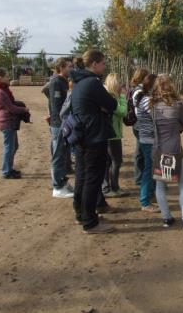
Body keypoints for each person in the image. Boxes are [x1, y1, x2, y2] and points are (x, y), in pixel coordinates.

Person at [70, 49, 118, 234]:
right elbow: (112, 105)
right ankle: (90, 222)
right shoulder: (92, 83)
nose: (104, 66)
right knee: (93, 178)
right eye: (103, 63)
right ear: (95, 64)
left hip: (82, 136)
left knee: (82, 176)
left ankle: (81, 213)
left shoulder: (79, 82)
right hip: (94, 136)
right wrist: (103, 109)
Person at [150, 74, 183, 231]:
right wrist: (178, 126)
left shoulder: (152, 105)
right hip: (174, 150)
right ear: (171, 86)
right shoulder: (178, 105)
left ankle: (166, 218)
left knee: (160, 186)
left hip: (158, 149)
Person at [0, 67, 30, 179]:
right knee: (10, 147)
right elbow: (11, 108)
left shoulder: (3, 90)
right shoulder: (0, 92)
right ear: (0, 77)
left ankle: (9, 168)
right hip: (6, 123)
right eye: (7, 76)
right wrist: (23, 110)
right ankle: (6, 171)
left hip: (9, 122)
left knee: (14, 146)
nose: (9, 78)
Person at [133, 73, 160, 213]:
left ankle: (149, 195)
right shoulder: (146, 99)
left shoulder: (145, 98)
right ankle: (145, 201)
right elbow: (158, 117)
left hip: (147, 138)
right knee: (149, 171)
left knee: (151, 169)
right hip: (149, 140)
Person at [48, 57, 74, 198]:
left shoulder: (64, 81)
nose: (71, 69)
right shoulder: (56, 82)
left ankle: (63, 183)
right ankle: (57, 186)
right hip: (59, 125)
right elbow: (57, 105)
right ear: (61, 67)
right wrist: (62, 122)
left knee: (64, 155)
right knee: (58, 155)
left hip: (63, 124)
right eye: (69, 66)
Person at [103, 73, 128, 197]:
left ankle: (107, 186)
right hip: (113, 135)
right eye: (119, 83)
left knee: (108, 162)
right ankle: (114, 187)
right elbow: (122, 112)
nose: (121, 86)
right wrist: (123, 97)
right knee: (116, 161)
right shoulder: (113, 98)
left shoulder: (106, 95)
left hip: (108, 134)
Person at [129, 68, 149, 186]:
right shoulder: (139, 91)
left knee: (140, 151)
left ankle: (139, 177)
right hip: (141, 125)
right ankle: (140, 177)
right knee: (141, 153)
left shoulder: (137, 89)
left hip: (138, 125)